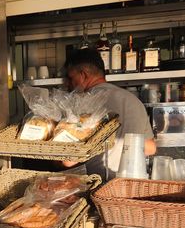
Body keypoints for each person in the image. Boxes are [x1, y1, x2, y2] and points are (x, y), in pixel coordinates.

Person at [62, 48, 156, 179]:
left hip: (93, 186)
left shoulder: (79, 105)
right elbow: (151, 148)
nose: (68, 84)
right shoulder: (134, 100)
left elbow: (68, 161)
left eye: (71, 78)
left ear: (83, 75)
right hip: (129, 185)